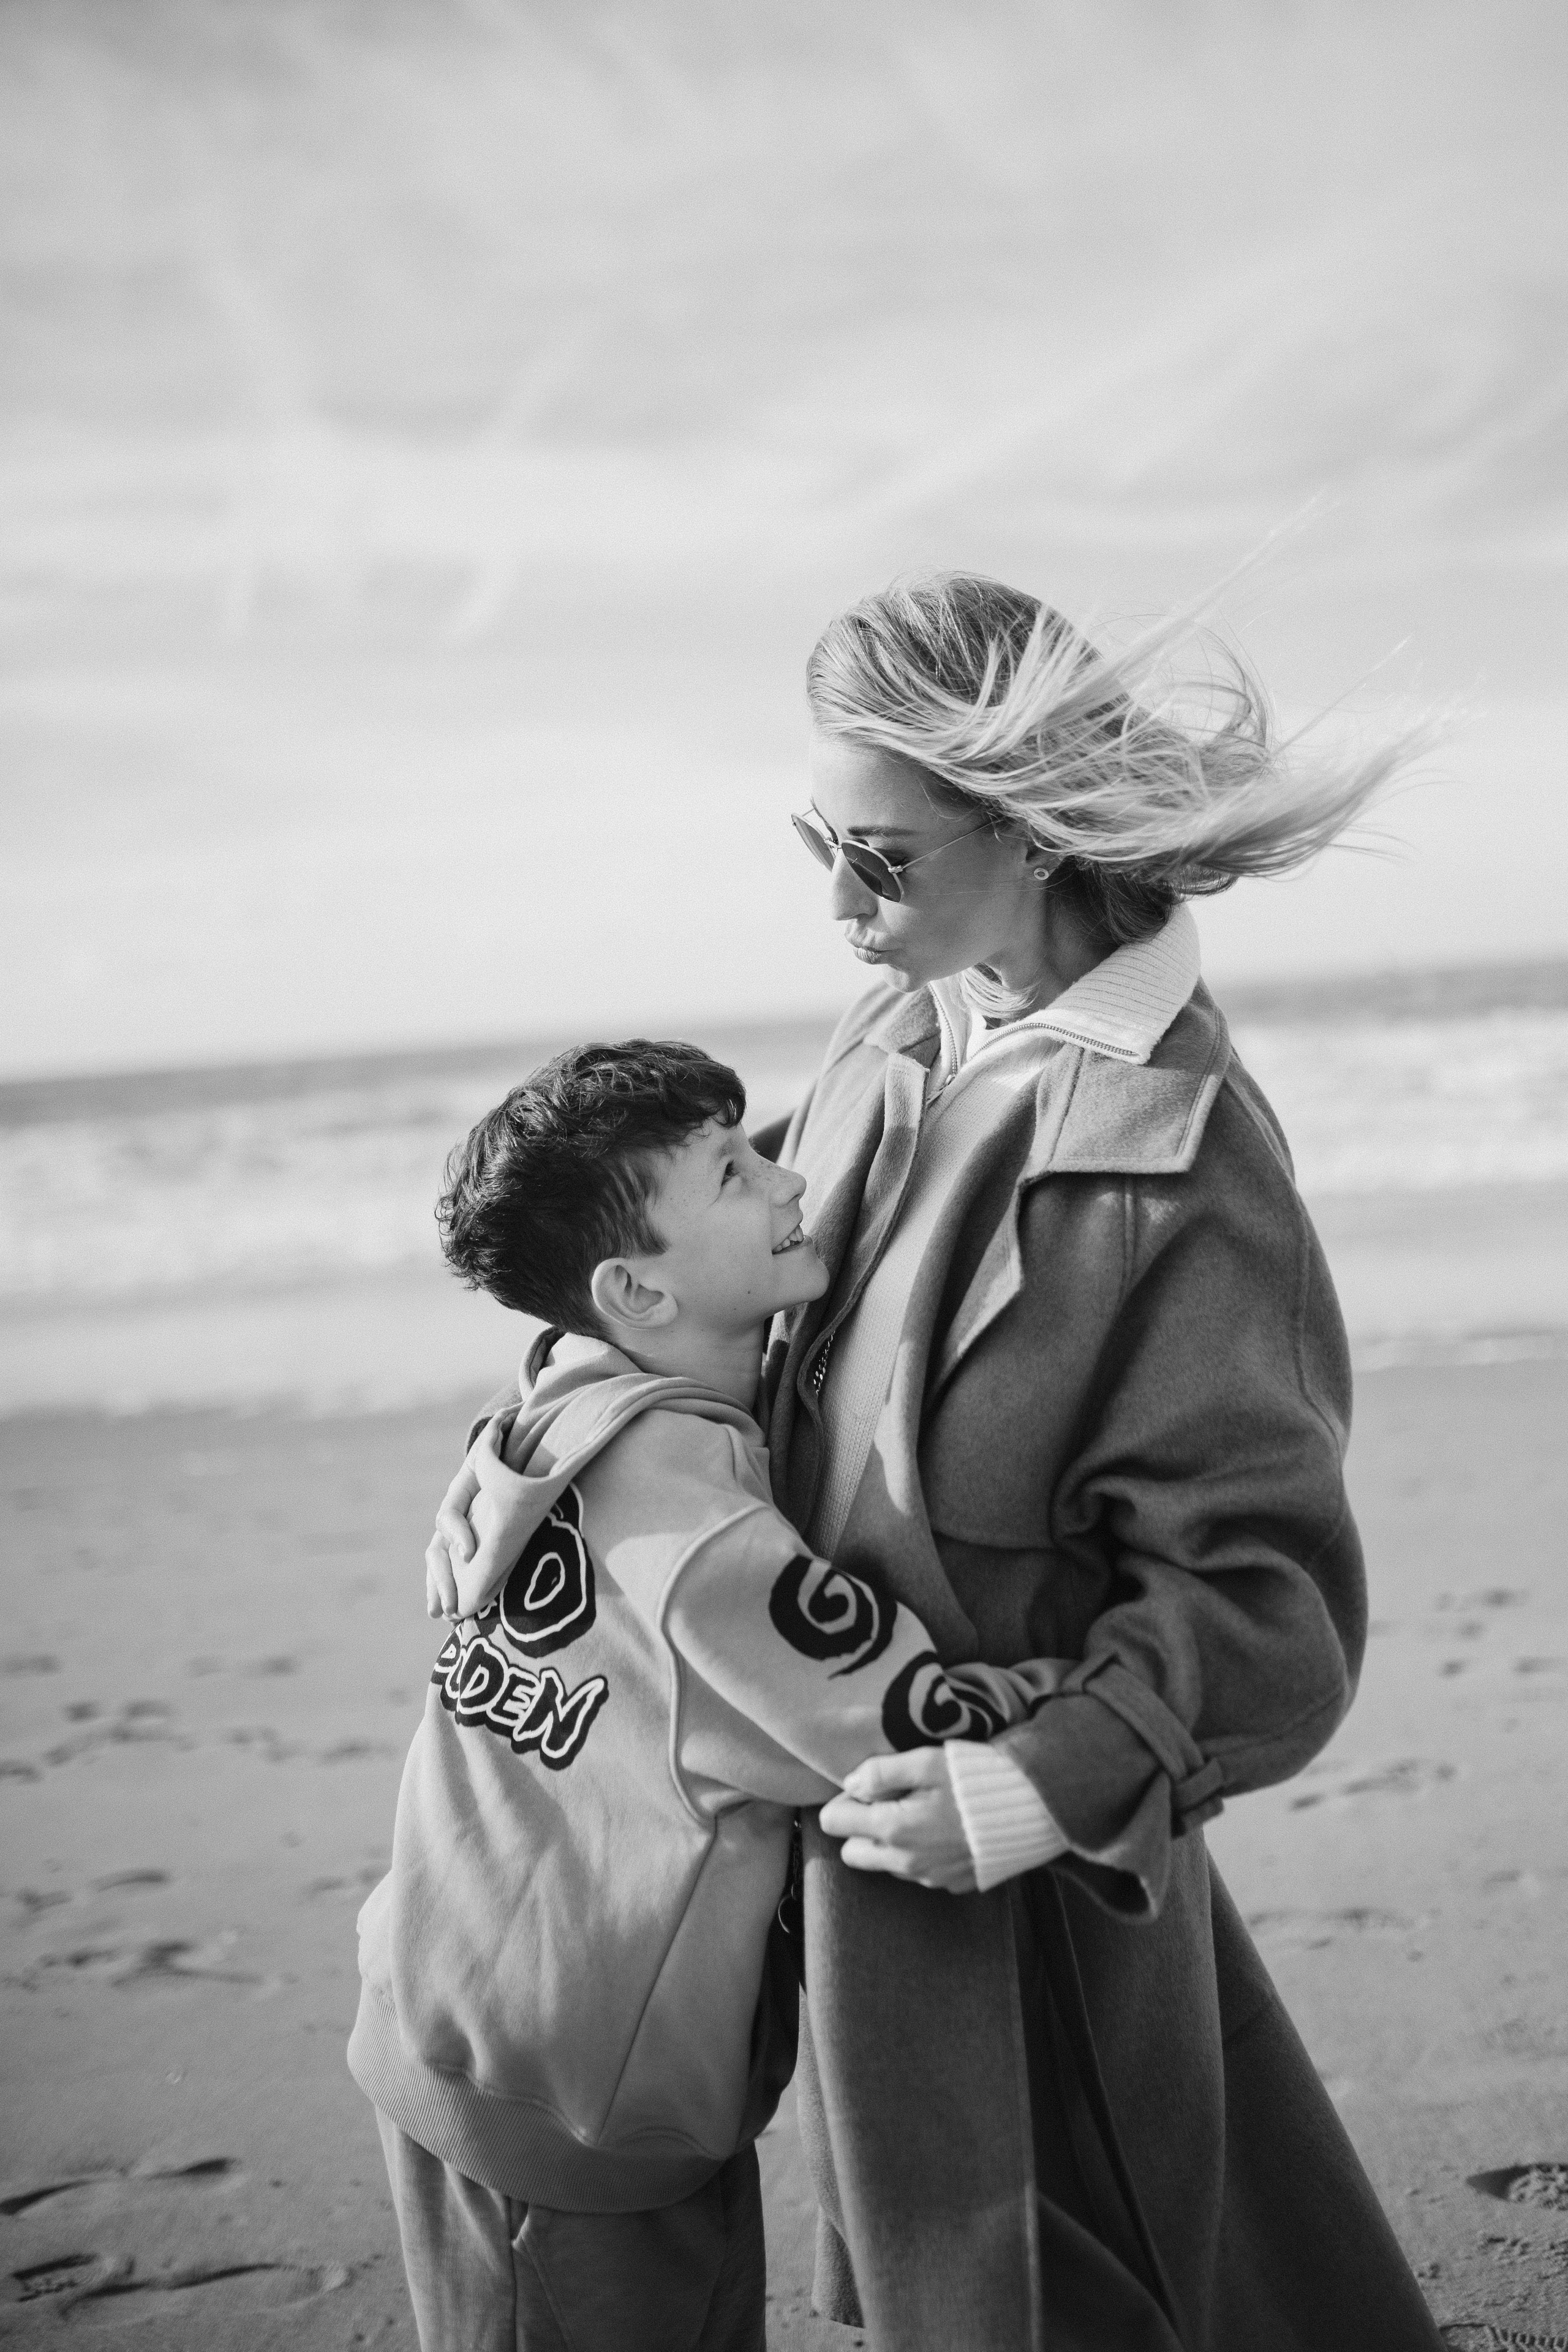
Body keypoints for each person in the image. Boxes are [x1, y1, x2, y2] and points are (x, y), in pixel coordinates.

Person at [429, 574, 1445, 2350]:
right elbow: (703, 1309)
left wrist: (1046, 1779)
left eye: (883, 860)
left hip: (1024, 1877)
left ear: (1040, 831)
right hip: (837, 1845)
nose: (836, 902)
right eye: (819, 840)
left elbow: (1270, 1608)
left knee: (1087, 2271)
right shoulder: (896, 1028)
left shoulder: (1179, 1159)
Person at [352, 1038, 1058, 2352]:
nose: (793, 1184)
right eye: (735, 1174)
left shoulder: (558, 1398)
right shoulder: (700, 1542)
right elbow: (904, 1726)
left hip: (439, 1999)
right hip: (582, 2095)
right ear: (633, 1287)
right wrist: (1090, 1686)